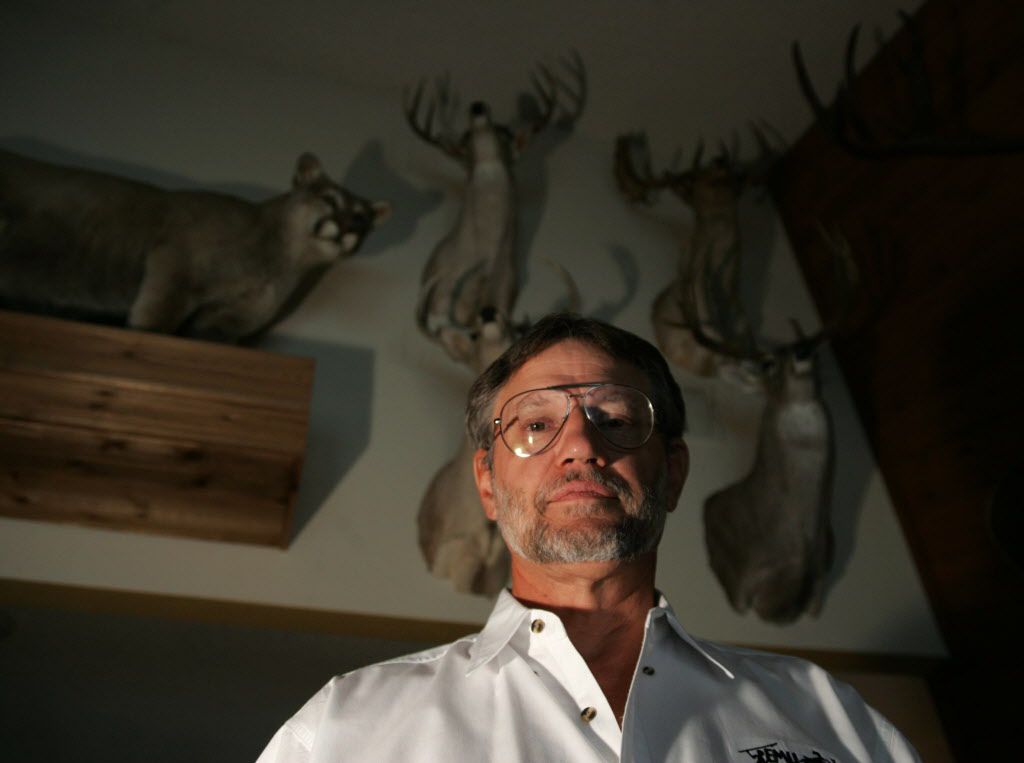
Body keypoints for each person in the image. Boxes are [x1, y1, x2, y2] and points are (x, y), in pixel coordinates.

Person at [256, 313, 920, 762]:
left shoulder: (827, 717)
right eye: (536, 425)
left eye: (616, 416)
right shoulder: (346, 730)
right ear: (487, 482)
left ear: (674, 471)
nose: (579, 443)